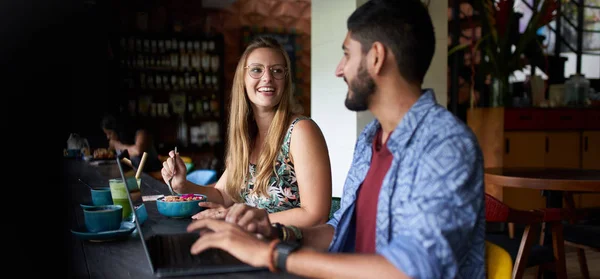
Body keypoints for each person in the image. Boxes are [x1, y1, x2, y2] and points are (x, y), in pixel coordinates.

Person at [182, 0, 486, 278]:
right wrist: (276, 232)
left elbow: (415, 268)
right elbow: (341, 228)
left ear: (376, 58)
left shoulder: (445, 145)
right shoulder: (371, 140)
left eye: (346, 54)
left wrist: (271, 254)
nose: (339, 70)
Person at [161, 36, 333, 228]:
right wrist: (182, 186)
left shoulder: (301, 131)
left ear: (285, 81)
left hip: (287, 249)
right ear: (242, 80)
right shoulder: (247, 135)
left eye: (277, 70)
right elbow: (224, 195)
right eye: (257, 70)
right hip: (248, 243)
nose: (267, 77)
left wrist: (241, 219)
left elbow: (316, 215)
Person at [101, 112, 163, 180]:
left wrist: (118, 145)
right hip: (134, 177)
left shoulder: (141, 133)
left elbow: (138, 150)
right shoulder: (118, 141)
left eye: (109, 133)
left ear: (118, 130)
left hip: (153, 177)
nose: (108, 137)